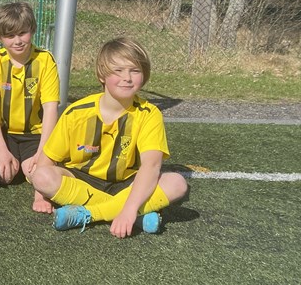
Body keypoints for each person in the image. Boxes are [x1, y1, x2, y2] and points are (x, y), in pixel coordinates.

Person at [30, 37, 188, 237]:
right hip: (82, 179)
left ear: (144, 74)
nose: (127, 78)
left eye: (135, 70)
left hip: (126, 183)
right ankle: (136, 214)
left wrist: (129, 210)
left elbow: (151, 165)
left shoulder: (149, 114)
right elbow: (47, 160)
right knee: (41, 176)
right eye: (118, 70)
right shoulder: (77, 112)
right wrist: (40, 196)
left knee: (177, 183)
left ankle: (90, 214)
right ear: (102, 75)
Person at [0, 1, 60, 213]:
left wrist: (43, 153)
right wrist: (1, 150)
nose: (18, 41)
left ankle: (33, 174)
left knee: (37, 174)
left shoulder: (45, 60)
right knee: (2, 173)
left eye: (23, 33)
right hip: (2, 132)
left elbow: (51, 109)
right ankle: (15, 161)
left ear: (33, 29)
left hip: (34, 133)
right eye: (10, 35)